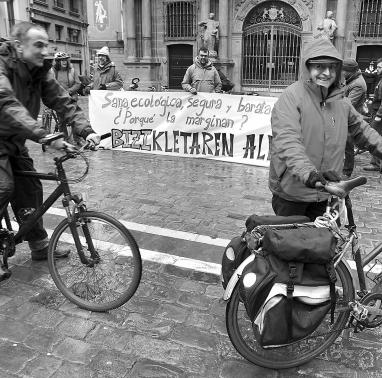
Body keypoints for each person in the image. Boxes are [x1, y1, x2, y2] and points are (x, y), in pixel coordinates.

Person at [0, 21, 100, 261]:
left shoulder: (39, 71)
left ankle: (40, 245)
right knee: (3, 186)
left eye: (46, 45)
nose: (45, 51)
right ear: (18, 47)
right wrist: (45, 135)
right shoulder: (2, 67)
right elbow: (7, 105)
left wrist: (86, 131)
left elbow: (62, 100)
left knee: (31, 190)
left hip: (15, 142)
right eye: (38, 45)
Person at [269, 38, 382, 221]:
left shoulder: (342, 102)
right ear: (308, 68)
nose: (326, 73)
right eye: (319, 66)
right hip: (292, 192)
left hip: (328, 192)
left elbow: (364, 133)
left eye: (332, 67)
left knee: (327, 245)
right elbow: (287, 141)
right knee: (292, 247)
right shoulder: (291, 97)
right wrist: (310, 174)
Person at [342, 58, 367, 177]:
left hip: (351, 119)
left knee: (348, 144)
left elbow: (349, 103)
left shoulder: (358, 84)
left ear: (350, 71)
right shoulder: (351, 80)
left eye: (343, 70)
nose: (341, 73)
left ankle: (347, 171)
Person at [363, 58, 382, 171]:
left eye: (380, 67)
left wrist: (379, 116)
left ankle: (376, 163)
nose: (377, 69)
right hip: (376, 112)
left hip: (379, 115)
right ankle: (376, 162)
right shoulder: (380, 79)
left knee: (375, 138)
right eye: (378, 67)